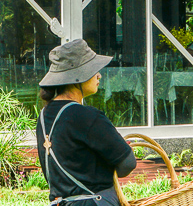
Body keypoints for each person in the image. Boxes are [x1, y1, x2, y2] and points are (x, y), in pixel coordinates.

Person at [36, 39, 138, 205]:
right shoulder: (86, 116)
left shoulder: (43, 116)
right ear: (78, 77)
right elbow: (127, 163)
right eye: (93, 70)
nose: (99, 75)